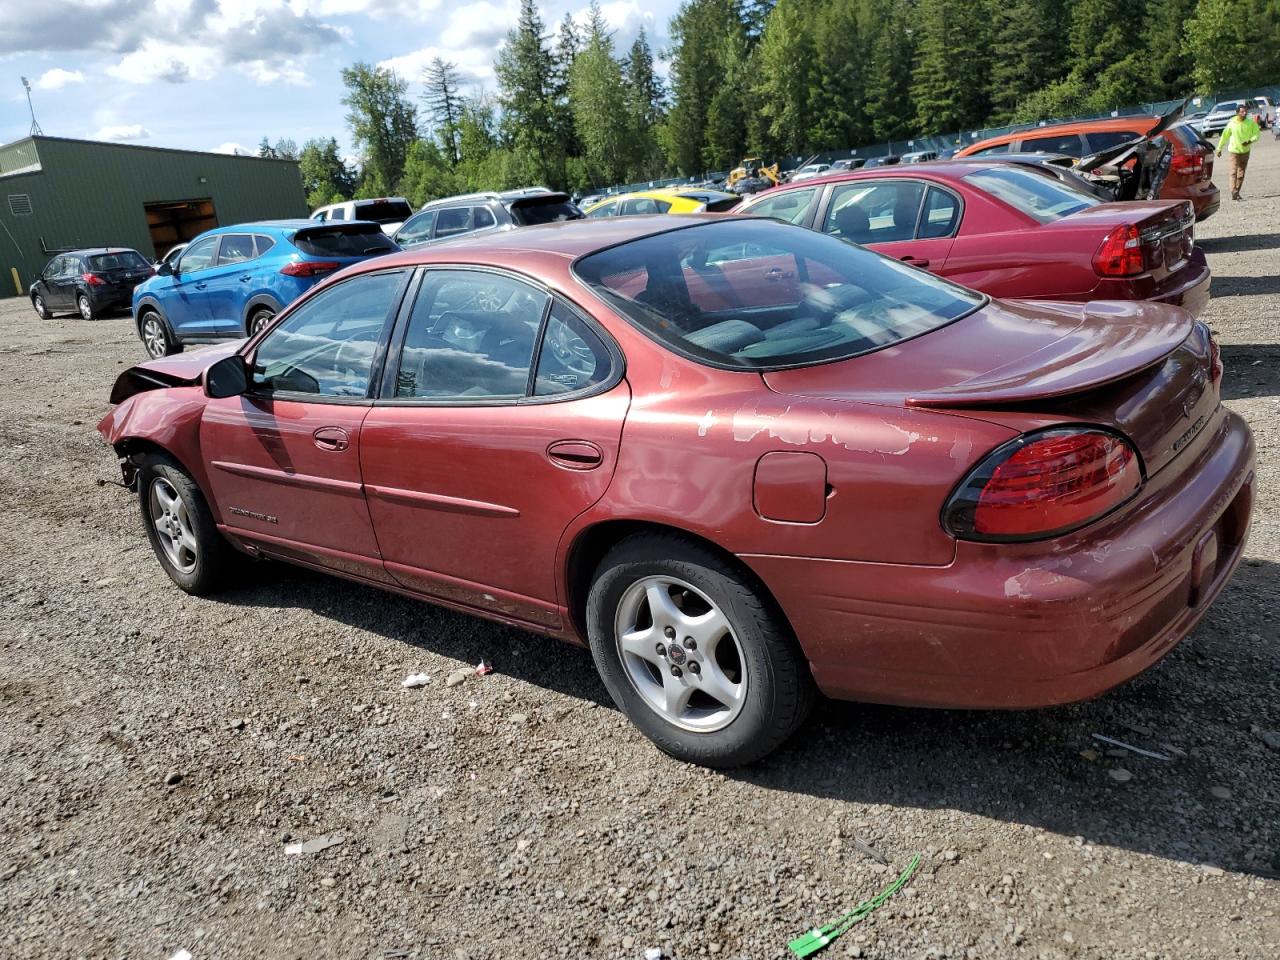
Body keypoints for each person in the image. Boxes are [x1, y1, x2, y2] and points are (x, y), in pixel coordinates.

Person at [1217, 102, 1261, 200]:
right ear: (1237, 113)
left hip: (1245, 152)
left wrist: (1249, 141)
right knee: (1233, 172)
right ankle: (1233, 190)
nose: (1244, 113)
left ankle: (1237, 192)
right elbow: (1224, 136)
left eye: (1245, 111)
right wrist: (1219, 148)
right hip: (1234, 151)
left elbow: (1257, 134)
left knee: (1241, 174)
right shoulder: (1232, 123)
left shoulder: (1251, 123)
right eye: (1242, 112)